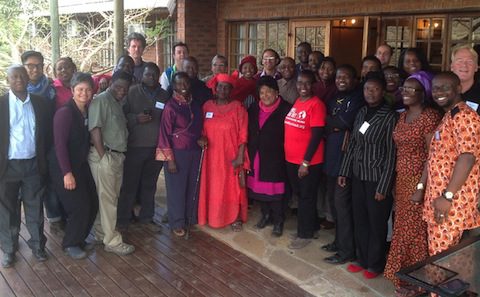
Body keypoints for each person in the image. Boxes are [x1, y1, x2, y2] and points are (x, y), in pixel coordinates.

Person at [383, 73, 441, 296]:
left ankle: (417, 283)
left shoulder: (429, 117)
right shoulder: (402, 116)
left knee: (415, 233)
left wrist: (420, 187)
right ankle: (404, 279)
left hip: (419, 182)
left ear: (423, 93)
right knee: (402, 230)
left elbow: (432, 155)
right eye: (404, 88)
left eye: (411, 89)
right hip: (402, 180)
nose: (405, 92)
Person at [338, 72, 396, 279]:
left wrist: (384, 186)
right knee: (360, 219)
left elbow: (392, 154)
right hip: (358, 175)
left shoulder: (389, 116)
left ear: (383, 91)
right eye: (367, 89)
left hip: (377, 179)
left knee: (376, 223)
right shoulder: (361, 112)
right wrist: (344, 171)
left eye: (375, 89)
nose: (370, 93)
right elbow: (353, 144)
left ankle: (375, 264)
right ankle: (362, 259)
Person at [416, 72, 480, 257]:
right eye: (435, 88)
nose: (439, 92)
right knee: (452, 258)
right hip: (440, 198)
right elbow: (436, 156)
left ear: (458, 89)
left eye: (445, 87)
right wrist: (422, 186)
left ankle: (436, 286)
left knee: (440, 256)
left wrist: (448, 196)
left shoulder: (465, 117)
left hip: (451, 203)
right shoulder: (449, 116)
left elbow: (467, 157)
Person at [0, 65, 52, 267]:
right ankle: (9, 249)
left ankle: (38, 246)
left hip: (33, 165)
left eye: (22, 75)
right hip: (7, 167)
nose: (19, 79)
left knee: (35, 208)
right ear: (8, 80)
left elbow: (46, 135)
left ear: (28, 78)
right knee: (7, 211)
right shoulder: (2, 104)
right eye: (14, 76)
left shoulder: (41, 103)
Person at [51, 72, 99, 260]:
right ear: (72, 90)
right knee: (79, 207)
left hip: (80, 164)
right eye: (80, 89)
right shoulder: (64, 113)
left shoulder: (85, 111)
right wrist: (67, 173)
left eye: (88, 89)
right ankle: (70, 243)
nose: (84, 93)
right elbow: (59, 145)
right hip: (64, 167)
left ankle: (79, 238)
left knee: (93, 203)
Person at [88, 71, 135, 256]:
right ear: (110, 83)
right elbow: (95, 129)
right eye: (118, 87)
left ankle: (101, 233)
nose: (122, 91)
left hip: (115, 156)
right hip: (106, 157)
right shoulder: (101, 100)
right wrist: (103, 156)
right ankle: (113, 241)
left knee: (106, 198)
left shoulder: (116, 102)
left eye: (125, 88)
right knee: (109, 200)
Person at [117, 63, 169, 230]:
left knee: (149, 185)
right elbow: (120, 115)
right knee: (129, 185)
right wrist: (135, 119)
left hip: (156, 148)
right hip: (135, 147)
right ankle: (124, 219)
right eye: (148, 75)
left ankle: (147, 218)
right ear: (142, 76)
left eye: (154, 75)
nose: (151, 78)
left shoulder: (164, 95)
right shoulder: (132, 92)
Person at [322, 65, 364, 264]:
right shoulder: (334, 97)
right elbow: (332, 122)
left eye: (346, 77)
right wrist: (333, 122)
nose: (342, 80)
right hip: (330, 159)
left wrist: (332, 122)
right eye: (339, 77)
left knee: (342, 207)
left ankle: (347, 251)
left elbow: (346, 123)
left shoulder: (357, 98)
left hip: (344, 162)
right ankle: (338, 242)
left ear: (354, 79)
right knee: (334, 204)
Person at [198, 73, 249, 231]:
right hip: (211, 156)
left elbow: (243, 134)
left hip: (230, 155)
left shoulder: (238, 108)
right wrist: (201, 138)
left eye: (227, 87)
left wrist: (240, 156)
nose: (223, 90)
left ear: (231, 90)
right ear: (215, 88)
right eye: (220, 86)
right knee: (213, 186)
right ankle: (211, 215)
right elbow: (199, 128)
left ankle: (234, 216)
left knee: (231, 187)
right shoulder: (207, 106)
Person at [156, 72, 203, 237]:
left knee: (192, 186)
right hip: (177, 154)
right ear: (173, 86)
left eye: (185, 84)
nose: (182, 87)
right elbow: (164, 134)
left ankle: (190, 217)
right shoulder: (170, 107)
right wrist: (170, 160)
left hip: (194, 152)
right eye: (178, 84)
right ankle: (176, 222)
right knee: (176, 189)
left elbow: (200, 127)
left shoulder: (195, 104)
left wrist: (202, 138)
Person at [22, 51, 63, 236]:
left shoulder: (50, 89)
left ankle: (55, 219)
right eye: (30, 65)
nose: (35, 69)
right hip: (26, 148)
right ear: (23, 67)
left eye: (38, 65)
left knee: (52, 183)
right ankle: (33, 230)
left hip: (48, 142)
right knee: (30, 189)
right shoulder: (17, 91)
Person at [284, 70, 326, 249]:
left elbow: (316, 136)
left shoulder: (316, 105)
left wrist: (305, 162)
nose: (303, 87)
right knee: (301, 195)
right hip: (291, 159)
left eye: (307, 83)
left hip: (308, 162)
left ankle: (305, 234)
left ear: (313, 85)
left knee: (306, 197)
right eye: (300, 83)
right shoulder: (297, 102)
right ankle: (312, 226)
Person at [247, 76, 292, 237]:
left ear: (277, 92)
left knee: (275, 191)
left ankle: (278, 220)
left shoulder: (286, 109)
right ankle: (266, 215)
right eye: (262, 92)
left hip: (276, 157)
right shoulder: (253, 107)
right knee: (260, 189)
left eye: (269, 92)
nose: (265, 96)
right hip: (257, 155)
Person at [450, 44, 480, 113]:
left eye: (469, 62)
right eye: (459, 61)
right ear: (452, 66)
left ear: (476, 67)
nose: (464, 65)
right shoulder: (442, 92)